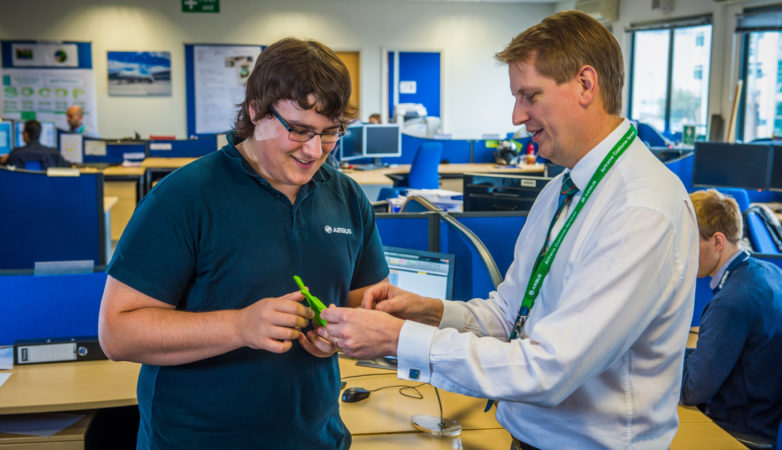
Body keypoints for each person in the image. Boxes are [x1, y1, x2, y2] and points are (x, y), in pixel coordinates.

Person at [319, 10, 698, 449]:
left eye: (530, 95)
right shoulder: (562, 190)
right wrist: (424, 310)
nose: (517, 116)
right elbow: (509, 317)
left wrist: (398, 339)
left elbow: (548, 370)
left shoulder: (639, 208)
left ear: (586, 85)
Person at [98, 37, 389, 449]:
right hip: (195, 440)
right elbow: (117, 333)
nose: (314, 150)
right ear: (255, 111)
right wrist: (238, 326)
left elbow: (362, 306)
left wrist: (336, 336)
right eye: (299, 130)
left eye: (330, 133)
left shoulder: (347, 197)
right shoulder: (184, 198)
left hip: (316, 437)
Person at [682, 189, 782, 445]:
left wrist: (655, 362)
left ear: (717, 241)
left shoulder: (731, 302)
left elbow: (693, 391)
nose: (683, 252)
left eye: (690, 241)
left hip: (743, 430)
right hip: (770, 415)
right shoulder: (768, 272)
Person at [4, 120, 68, 169]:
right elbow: (68, 167)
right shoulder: (53, 153)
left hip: (22, 185)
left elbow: (5, 169)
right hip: (46, 185)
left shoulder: (16, 153)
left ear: (26, 134)